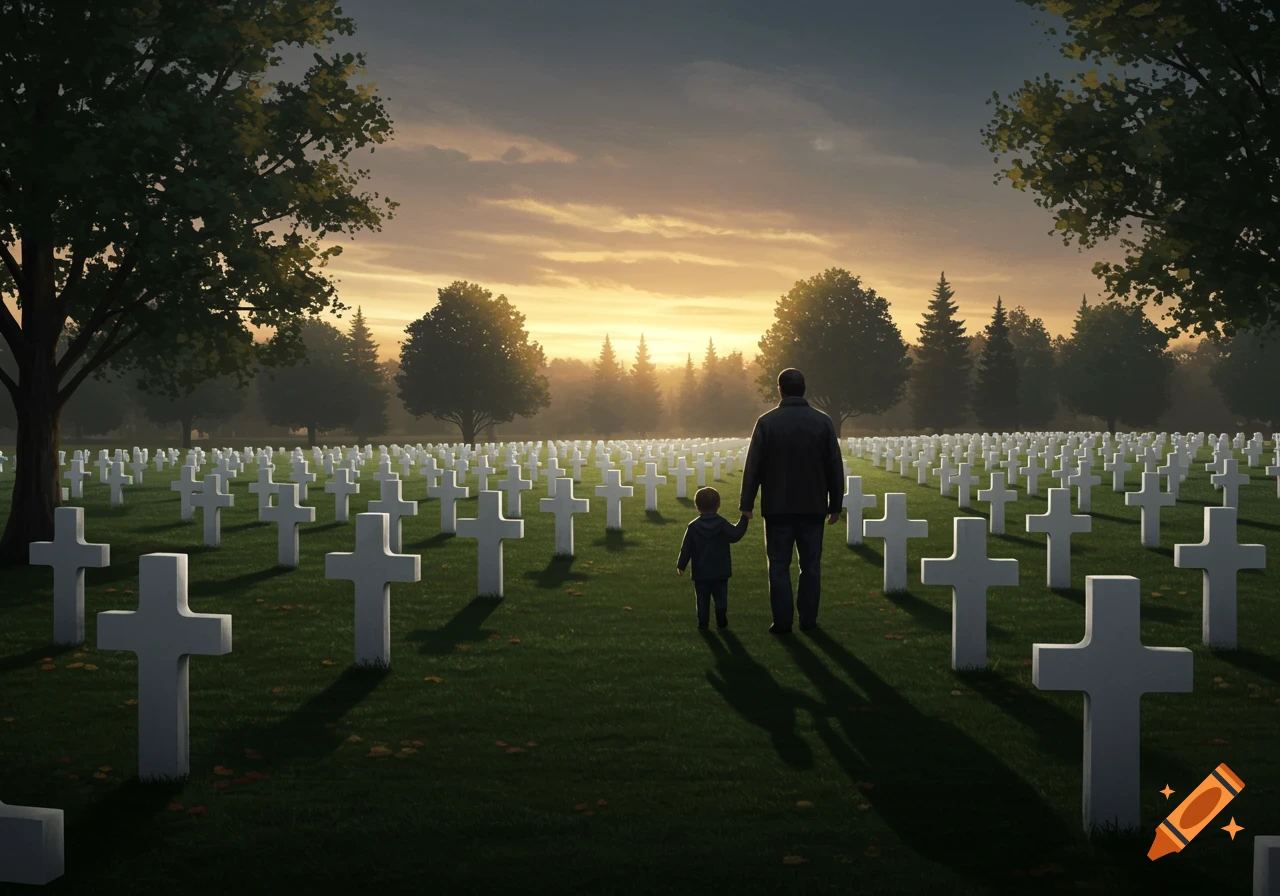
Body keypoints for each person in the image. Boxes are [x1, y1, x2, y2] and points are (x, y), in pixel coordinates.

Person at [738, 368, 843, 633]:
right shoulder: (822, 421)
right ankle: (808, 621)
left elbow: (754, 465)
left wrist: (747, 503)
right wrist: (835, 504)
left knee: (778, 566)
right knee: (811, 567)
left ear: (780, 389)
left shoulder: (766, 422)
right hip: (813, 506)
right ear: (804, 389)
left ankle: (782, 622)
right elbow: (834, 465)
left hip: (777, 507)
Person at [676, 486, 750, 630]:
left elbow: (686, 549)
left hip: (701, 572)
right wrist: (744, 518)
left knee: (702, 600)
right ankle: (721, 617)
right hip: (720, 570)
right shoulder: (722, 524)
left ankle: (703, 624)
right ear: (718, 504)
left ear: (696, 506)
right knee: (721, 597)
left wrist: (681, 565)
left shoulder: (693, 527)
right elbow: (735, 534)